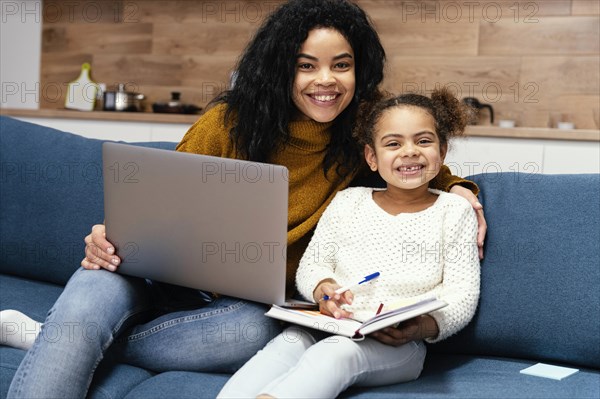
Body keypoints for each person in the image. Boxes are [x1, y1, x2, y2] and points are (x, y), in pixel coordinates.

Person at [3, 1, 485, 398]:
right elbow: (159, 195)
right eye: (306, 66)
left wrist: (462, 188)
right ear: (282, 70)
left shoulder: (359, 140)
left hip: (237, 308)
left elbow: (416, 161)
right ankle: (70, 336)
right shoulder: (229, 123)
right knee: (90, 292)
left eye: (342, 65)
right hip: (152, 272)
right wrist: (109, 235)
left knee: (252, 333)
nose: (326, 80)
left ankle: (58, 339)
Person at [217, 87, 481, 398]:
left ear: (443, 151)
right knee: (283, 346)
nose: (409, 151)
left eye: (423, 141)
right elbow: (313, 265)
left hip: (401, 347)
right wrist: (322, 288)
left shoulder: (454, 211)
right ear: (372, 157)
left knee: (334, 353)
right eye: (393, 143)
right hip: (332, 324)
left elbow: (463, 296)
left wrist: (422, 327)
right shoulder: (347, 202)